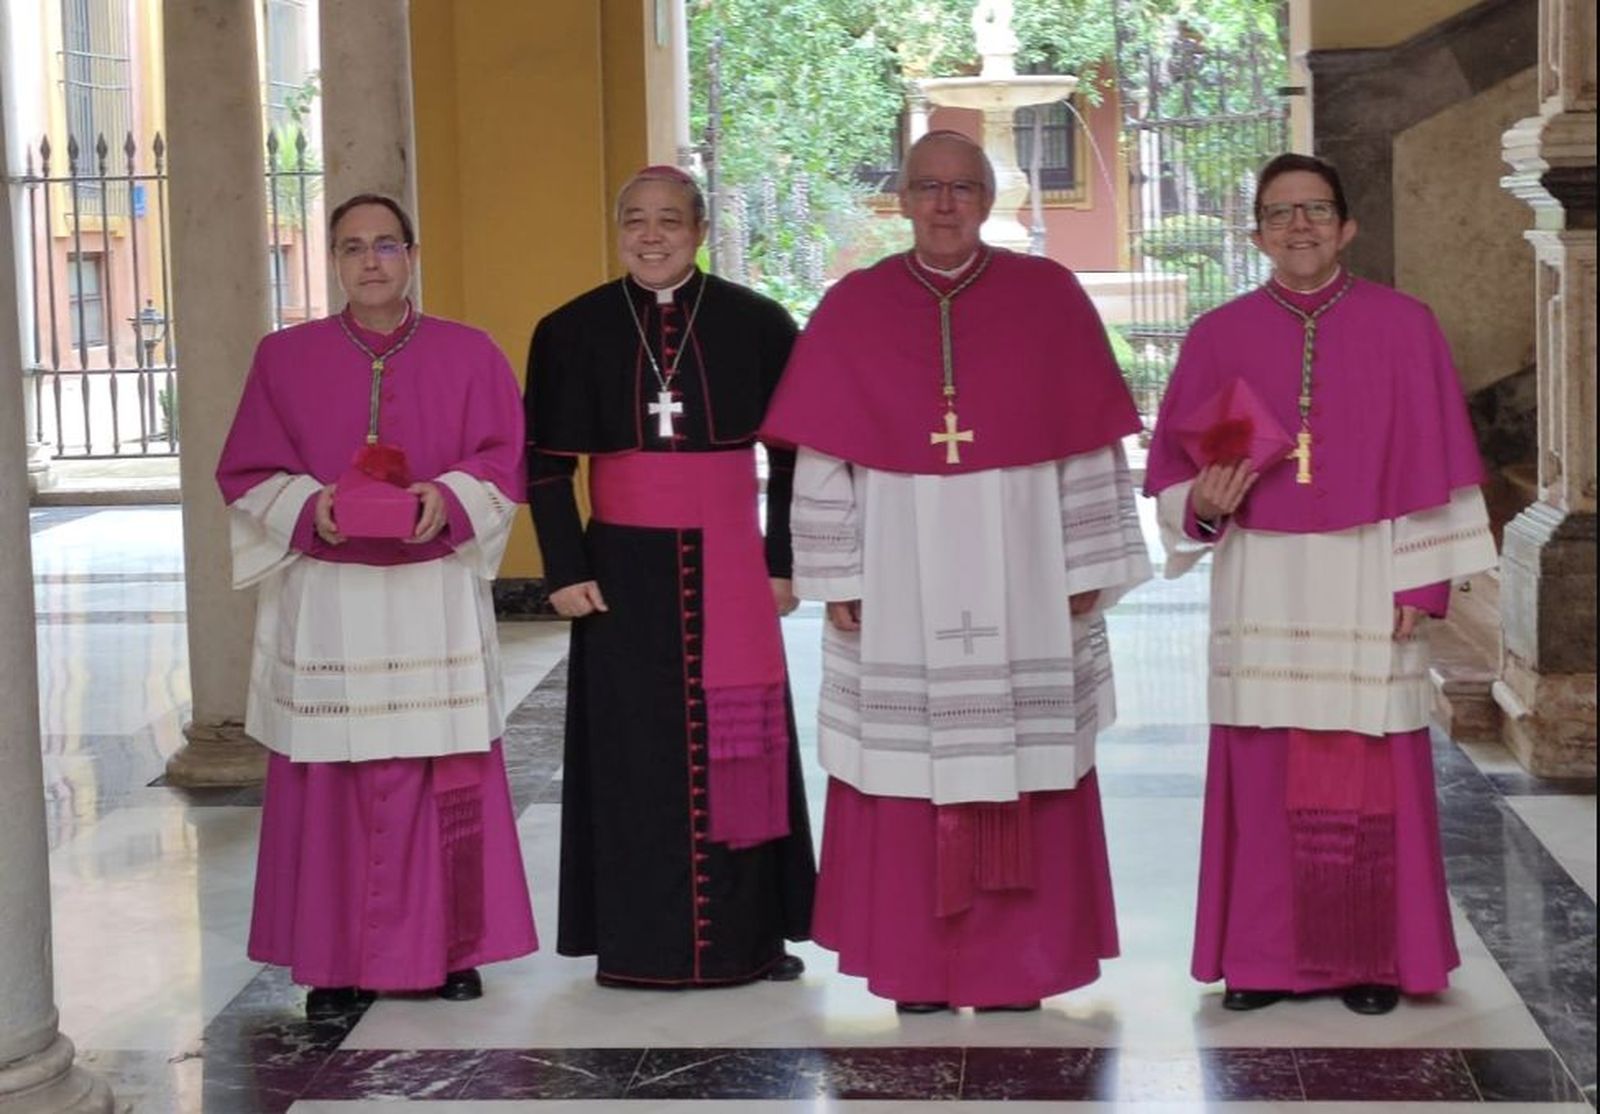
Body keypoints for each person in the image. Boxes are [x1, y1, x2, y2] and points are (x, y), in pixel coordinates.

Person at [761, 131, 1151, 1012]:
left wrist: (1088, 559)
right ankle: (916, 968)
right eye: (927, 187)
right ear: (899, 200)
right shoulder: (854, 306)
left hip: (1026, 568)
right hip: (897, 572)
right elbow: (823, 456)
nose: (944, 204)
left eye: (963, 187)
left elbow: (1089, 442)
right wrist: (837, 572)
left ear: (991, 199)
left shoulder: (1046, 297)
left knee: (1028, 756)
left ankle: (1020, 965)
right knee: (906, 767)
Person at [1144, 154, 1497, 1016]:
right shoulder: (1217, 335)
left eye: (1315, 210)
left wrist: (1423, 587)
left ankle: (1367, 956)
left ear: (1346, 226)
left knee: (1364, 765)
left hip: (1368, 567)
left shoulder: (1405, 325)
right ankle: (1260, 960)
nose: (1298, 225)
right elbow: (1172, 483)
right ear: (1256, 232)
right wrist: (1203, 505)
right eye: (1279, 212)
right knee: (1263, 768)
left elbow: (1434, 463)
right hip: (1262, 572)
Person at [217, 193, 537, 1013]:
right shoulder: (284, 359)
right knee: (331, 775)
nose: (370, 260)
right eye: (352, 246)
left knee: (440, 769)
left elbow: (505, 460)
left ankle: (449, 950)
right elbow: (248, 470)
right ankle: (331, 961)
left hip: (430, 596)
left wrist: (449, 495)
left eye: (386, 245)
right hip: (329, 598)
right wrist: (311, 506)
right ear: (333, 261)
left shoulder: (470, 354)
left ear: (412, 255)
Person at [525, 165, 816, 988]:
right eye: (635, 221)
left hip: (729, 557)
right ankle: (636, 940)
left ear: (699, 231)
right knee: (631, 752)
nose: (651, 236)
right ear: (618, 231)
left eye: (669, 221)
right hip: (621, 568)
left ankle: (749, 938)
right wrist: (564, 569)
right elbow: (545, 464)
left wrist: (781, 560)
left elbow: (791, 458)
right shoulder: (571, 329)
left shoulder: (756, 324)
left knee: (743, 743)